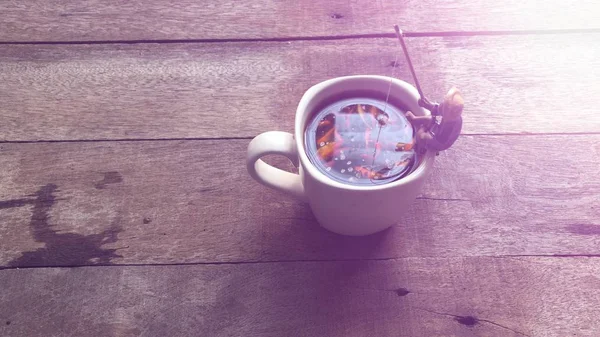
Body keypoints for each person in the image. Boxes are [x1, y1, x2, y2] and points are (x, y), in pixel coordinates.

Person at [405, 87, 464, 152]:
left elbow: (440, 140)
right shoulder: (451, 115)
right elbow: (439, 109)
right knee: (430, 119)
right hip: (439, 131)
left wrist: (425, 134)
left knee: (422, 136)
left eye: (444, 105)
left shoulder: (450, 128)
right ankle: (414, 120)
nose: (441, 106)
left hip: (439, 142)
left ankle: (418, 147)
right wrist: (427, 105)